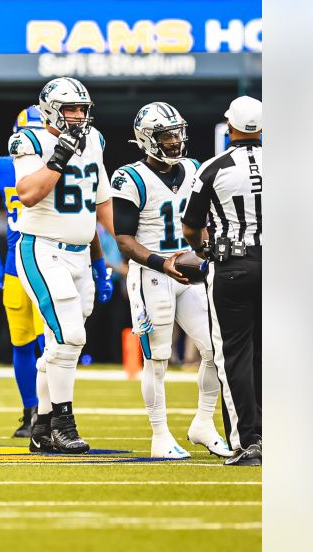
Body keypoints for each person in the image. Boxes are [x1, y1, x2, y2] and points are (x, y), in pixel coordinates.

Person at [108, 103, 231, 460]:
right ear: (147, 139)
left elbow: (202, 220)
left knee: (214, 349)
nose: (176, 141)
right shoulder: (129, 177)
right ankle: (160, 435)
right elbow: (124, 238)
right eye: (167, 135)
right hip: (152, 275)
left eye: (178, 133)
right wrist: (162, 263)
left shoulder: (194, 168)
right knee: (157, 358)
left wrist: (204, 250)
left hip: (191, 271)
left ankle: (204, 423)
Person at [9, 77, 114, 454]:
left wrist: (115, 252)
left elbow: (101, 202)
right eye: (71, 108)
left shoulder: (96, 140)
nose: (78, 116)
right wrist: (60, 156)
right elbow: (28, 195)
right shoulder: (29, 140)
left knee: (58, 344)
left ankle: (40, 426)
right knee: (71, 336)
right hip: (42, 248)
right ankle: (63, 422)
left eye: (82, 109)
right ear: (51, 108)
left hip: (81, 254)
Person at [182, 96, 263, 467]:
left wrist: (203, 251)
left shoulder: (213, 168)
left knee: (235, 356)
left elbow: (191, 227)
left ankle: (249, 441)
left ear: (229, 126)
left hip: (233, 265)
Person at [0, 106, 48, 437]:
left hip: (51, 264)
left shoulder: (59, 166)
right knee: (21, 344)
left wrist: (94, 262)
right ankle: (30, 411)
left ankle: (53, 412)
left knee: (51, 345)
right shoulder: (2, 168)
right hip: (15, 268)